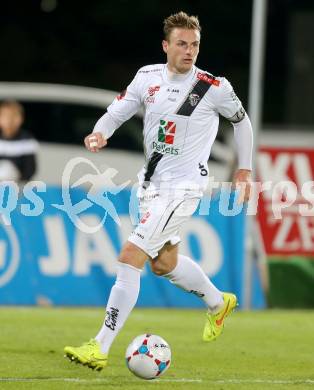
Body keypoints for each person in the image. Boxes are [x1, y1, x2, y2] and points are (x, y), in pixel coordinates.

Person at [64, 11, 253, 371]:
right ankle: (217, 302)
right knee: (163, 263)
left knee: (131, 254)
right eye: (182, 44)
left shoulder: (211, 87)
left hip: (184, 187)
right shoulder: (147, 77)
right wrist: (100, 131)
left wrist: (244, 170)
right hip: (150, 186)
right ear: (166, 45)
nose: (189, 51)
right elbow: (118, 110)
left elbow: (242, 123)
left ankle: (99, 346)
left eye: (195, 44)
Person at [0, 101, 38, 182]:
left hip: (17, 187)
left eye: (13, 117)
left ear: (20, 119)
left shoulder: (27, 140)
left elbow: (30, 169)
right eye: (5, 116)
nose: (9, 121)